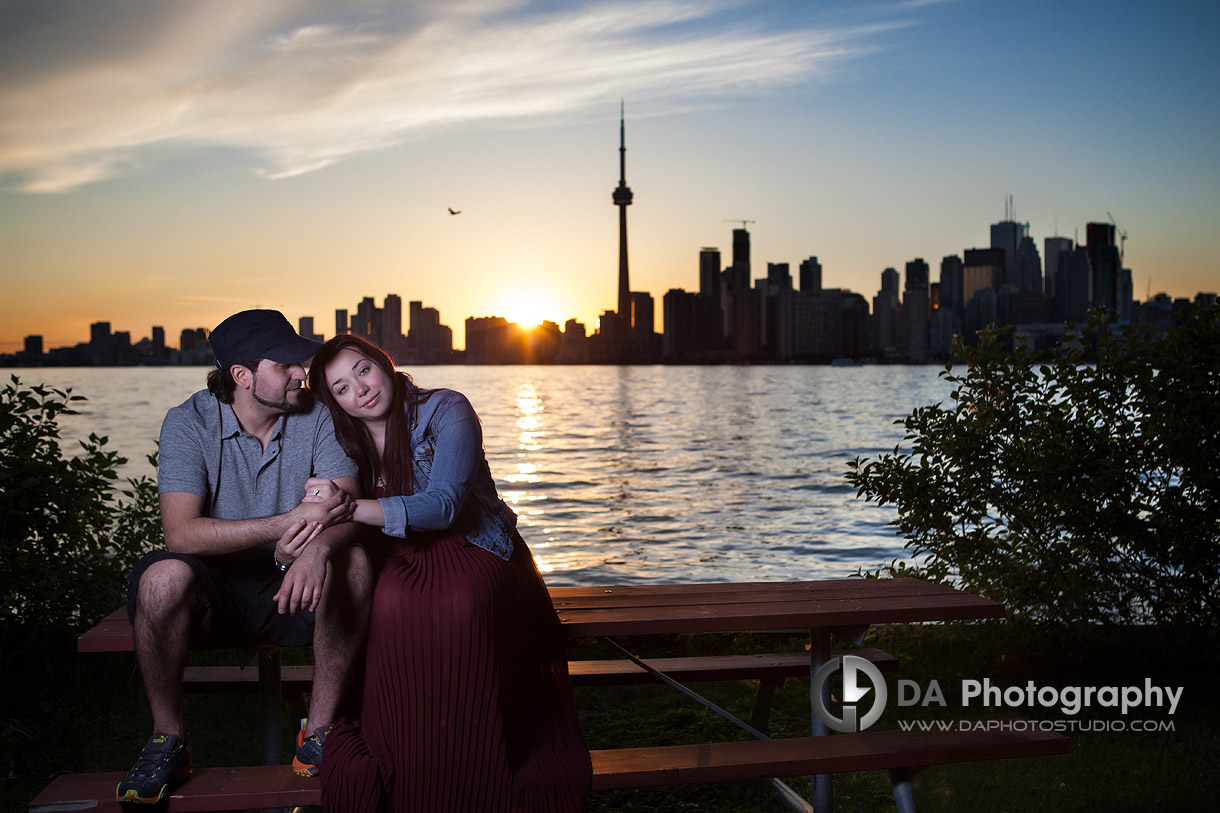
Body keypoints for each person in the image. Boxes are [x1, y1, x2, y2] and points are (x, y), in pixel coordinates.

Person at [306, 334, 591, 812]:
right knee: (392, 599)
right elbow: (326, 507)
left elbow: (443, 507)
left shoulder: (447, 409)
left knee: (461, 600)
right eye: (341, 388)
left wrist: (349, 507)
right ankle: (413, 755)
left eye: (362, 370)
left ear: (383, 363)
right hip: (400, 555)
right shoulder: (343, 439)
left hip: (476, 547)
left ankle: (480, 757)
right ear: (335, 403)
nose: (360, 389)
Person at [117, 310, 374, 805]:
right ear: (242, 375)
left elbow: (342, 507)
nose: (304, 372)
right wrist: (289, 520)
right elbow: (181, 535)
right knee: (160, 578)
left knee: (357, 563)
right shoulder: (187, 421)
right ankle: (167, 739)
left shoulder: (318, 413)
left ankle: (317, 732)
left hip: (297, 580)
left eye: (303, 361)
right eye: (287, 365)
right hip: (218, 588)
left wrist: (313, 548)